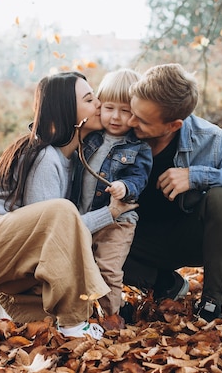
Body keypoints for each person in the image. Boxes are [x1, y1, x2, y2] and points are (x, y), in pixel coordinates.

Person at [0, 71, 136, 340]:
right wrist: (111, 213)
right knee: (61, 212)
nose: (99, 106)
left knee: (62, 226)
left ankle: (14, 304)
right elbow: (54, 234)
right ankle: (73, 324)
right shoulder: (45, 156)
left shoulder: (71, 158)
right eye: (90, 99)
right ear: (68, 110)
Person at [121, 63, 222, 322]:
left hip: (190, 239)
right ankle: (164, 283)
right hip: (134, 243)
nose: (130, 121)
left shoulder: (210, 139)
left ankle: (212, 303)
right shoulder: (120, 130)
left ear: (173, 125)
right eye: (132, 111)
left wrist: (197, 176)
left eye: (142, 120)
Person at [71, 69, 153, 317]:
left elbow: (139, 177)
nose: (116, 117)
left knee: (108, 268)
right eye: (109, 108)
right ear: (99, 106)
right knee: (80, 266)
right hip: (85, 215)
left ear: (136, 113)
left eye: (125, 110)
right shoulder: (89, 137)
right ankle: (82, 312)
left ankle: (111, 315)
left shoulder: (138, 147)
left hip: (118, 221)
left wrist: (125, 187)